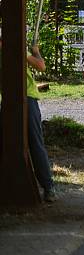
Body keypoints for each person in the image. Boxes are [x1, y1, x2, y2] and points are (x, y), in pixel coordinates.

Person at [0, 39, 57, 202]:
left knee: (33, 142)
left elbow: (39, 66)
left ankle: (48, 186)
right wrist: (36, 51)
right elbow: (41, 65)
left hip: (20, 98)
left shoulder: (13, 48)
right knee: (34, 142)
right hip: (24, 98)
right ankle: (48, 187)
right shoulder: (15, 47)